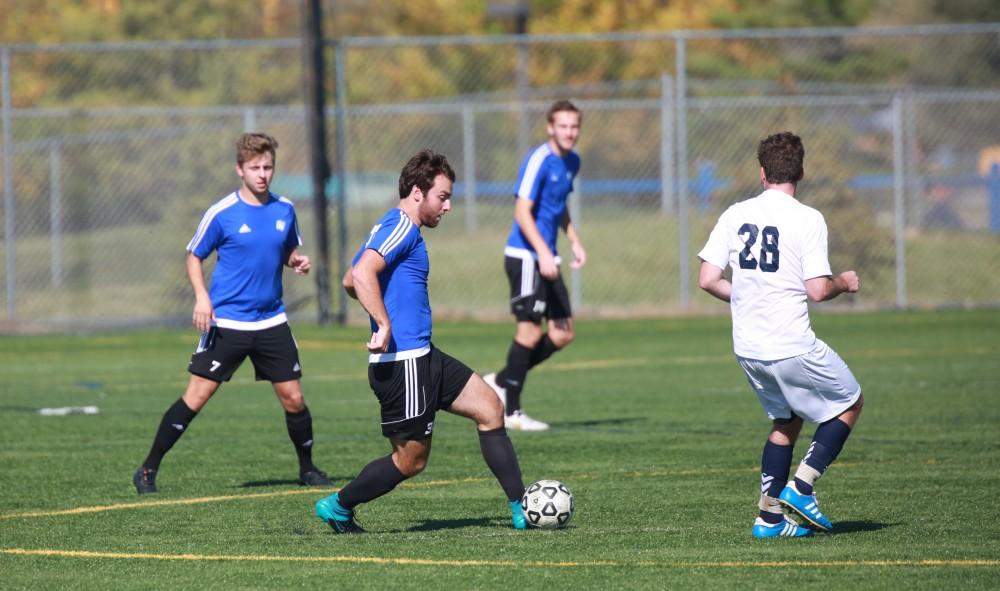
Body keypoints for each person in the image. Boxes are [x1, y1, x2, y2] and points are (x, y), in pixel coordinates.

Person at [315, 149, 527, 533]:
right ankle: (339, 505)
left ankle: (521, 508)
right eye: (442, 197)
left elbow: (350, 281)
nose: (447, 207)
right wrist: (382, 323)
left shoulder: (393, 228)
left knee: (491, 408)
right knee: (411, 461)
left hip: (425, 355)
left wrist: (380, 306)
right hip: (404, 364)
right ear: (417, 192)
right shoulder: (400, 225)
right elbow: (361, 273)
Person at [132, 132, 332, 494]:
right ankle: (147, 470)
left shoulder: (284, 209)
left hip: (272, 320)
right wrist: (202, 298)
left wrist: (295, 261)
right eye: (254, 167)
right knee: (197, 397)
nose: (262, 174)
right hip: (227, 322)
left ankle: (307, 469)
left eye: (268, 166)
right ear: (239, 169)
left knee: (294, 399)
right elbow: (194, 255)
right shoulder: (221, 213)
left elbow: (285, 249)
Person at [697, 132, 864, 539]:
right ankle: (802, 487)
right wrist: (843, 280)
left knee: (785, 421)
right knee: (849, 402)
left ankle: (768, 519)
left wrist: (746, 295)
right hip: (789, 343)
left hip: (749, 348)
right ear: (801, 172)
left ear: (761, 172)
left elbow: (707, 279)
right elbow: (818, 290)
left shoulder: (735, 214)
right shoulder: (807, 218)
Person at [483, 100, 587, 431]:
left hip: (547, 257)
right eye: (563, 126)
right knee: (528, 331)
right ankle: (511, 412)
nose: (569, 132)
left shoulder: (572, 161)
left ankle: (502, 379)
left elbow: (559, 207)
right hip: (526, 256)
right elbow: (522, 212)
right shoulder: (538, 160)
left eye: (574, 127)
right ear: (550, 127)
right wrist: (543, 252)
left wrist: (574, 240)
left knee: (563, 332)